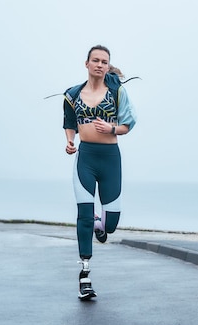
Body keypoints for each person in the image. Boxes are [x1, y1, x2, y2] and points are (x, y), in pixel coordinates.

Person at [63, 45, 137, 300]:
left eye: (104, 61)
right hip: (85, 158)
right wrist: (70, 141)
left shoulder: (117, 92)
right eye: (95, 60)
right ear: (86, 64)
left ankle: (99, 224)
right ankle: (85, 274)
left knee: (111, 224)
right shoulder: (72, 94)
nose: (99, 65)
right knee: (83, 214)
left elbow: (129, 123)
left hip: (110, 159)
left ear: (108, 66)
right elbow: (69, 122)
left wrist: (111, 128)